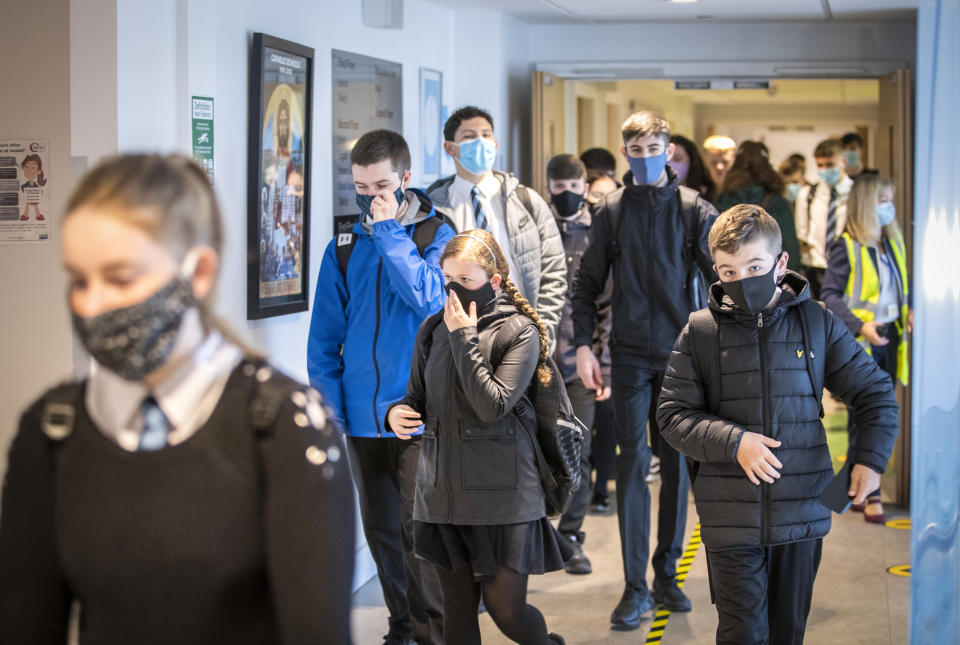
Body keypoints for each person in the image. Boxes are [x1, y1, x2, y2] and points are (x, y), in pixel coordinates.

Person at [0, 154, 355, 644]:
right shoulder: (53, 430)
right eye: (80, 280)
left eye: (121, 278)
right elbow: (26, 623)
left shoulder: (285, 426)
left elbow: (317, 632)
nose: (92, 303)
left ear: (199, 272)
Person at [657, 203, 898, 645]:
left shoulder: (817, 323)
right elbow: (673, 416)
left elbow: (875, 393)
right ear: (715, 270)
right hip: (729, 518)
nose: (741, 280)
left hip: (801, 513)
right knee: (743, 634)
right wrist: (735, 442)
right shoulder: (700, 332)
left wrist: (869, 459)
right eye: (728, 271)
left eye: (754, 266)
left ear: (780, 263)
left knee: (788, 634)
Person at [572, 111, 719, 629]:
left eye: (653, 146)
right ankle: (635, 587)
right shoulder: (610, 211)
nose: (644, 155)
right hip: (629, 355)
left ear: (668, 147)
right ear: (625, 151)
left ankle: (666, 575)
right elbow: (586, 285)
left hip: (684, 356)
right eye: (634, 149)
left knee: (677, 465)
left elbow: (721, 280)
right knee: (632, 461)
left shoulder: (694, 210)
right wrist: (585, 349)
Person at [308, 129, 453, 645]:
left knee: (420, 534)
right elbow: (324, 342)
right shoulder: (343, 247)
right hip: (361, 416)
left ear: (406, 179)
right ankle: (400, 628)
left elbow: (431, 302)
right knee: (383, 533)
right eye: (361, 188)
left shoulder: (436, 234)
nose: (371, 198)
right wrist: (330, 412)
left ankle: (432, 630)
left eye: (382, 185)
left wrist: (390, 232)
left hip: (419, 412)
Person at [387, 229, 567, 645]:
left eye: (465, 281)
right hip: (443, 494)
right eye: (446, 278)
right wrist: (396, 412)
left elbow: (493, 405)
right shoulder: (432, 330)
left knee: (509, 613)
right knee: (457, 616)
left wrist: (464, 337)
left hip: (503, 496)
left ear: (495, 282)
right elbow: (416, 397)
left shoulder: (518, 332)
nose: (453, 290)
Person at [427, 106, 566, 341]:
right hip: (459, 333)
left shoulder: (526, 201)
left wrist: (543, 334)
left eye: (486, 134)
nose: (480, 142)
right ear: (450, 148)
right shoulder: (433, 208)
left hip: (522, 329)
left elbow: (554, 272)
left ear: (495, 143)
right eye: (469, 136)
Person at [822, 175, 912, 524]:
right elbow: (829, 296)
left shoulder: (891, 244)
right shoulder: (845, 246)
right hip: (861, 342)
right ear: (865, 205)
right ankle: (867, 491)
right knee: (867, 416)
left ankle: (857, 489)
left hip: (890, 338)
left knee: (878, 414)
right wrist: (861, 326)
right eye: (882, 200)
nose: (888, 207)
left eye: (890, 199)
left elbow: (901, 288)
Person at [544, 154, 613, 575]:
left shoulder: (600, 229)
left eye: (575, 187)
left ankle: (571, 537)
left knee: (578, 452)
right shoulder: (537, 227)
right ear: (549, 186)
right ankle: (538, 536)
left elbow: (609, 302)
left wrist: (602, 359)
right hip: (538, 361)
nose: (567, 194)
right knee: (537, 453)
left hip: (582, 363)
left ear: (585, 186)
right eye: (559, 187)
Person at [717, 141, 803, 273]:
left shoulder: (721, 201)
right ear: (767, 166)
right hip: (765, 277)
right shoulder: (777, 203)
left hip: (729, 277)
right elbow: (791, 252)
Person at [794, 138, 853, 299]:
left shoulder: (856, 193)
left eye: (830, 165)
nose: (824, 170)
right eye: (820, 165)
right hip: (815, 267)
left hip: (847, 266)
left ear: (843, 162)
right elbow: (802, 232)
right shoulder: (807, 194)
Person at [670, 134, 717, 202]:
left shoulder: (705, 195)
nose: (670, 165)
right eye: (666, 160)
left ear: (692, 162)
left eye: (677, 159)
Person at [20, 153, 46, 220]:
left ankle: (38, 215)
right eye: (27, 167)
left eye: (33, 168)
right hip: (29, 197)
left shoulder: (36, 186)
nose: (29, 170)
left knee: (35, 205)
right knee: (27, 204)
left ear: (38, 172)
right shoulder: (26, 184)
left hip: (34, 197)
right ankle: (26, 215)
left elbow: (39, 191)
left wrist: (38, 193)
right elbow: (23, 188)